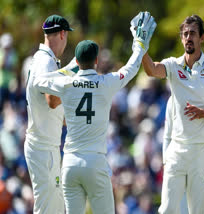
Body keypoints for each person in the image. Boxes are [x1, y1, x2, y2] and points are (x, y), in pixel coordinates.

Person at [33, 11, 156, 214]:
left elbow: (39, 81)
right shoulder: (106, 83)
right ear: (97, 60)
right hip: (95, 162)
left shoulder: (66, 83)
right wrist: (139, 45)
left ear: (78, 61)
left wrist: (68, 69)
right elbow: (131, 68)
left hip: (70, 163)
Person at [142, 14, 204, 214]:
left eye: (193, 33)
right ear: (181, 38)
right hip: (177, 149)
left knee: (198, 211)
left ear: (202, 38)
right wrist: (141, 46)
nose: (188, 38)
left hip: (202, 150)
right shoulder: (173, 65)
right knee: (167, 209)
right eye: (185, 34)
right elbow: (151, 70)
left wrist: (203, 113)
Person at [24, 14, 73, 214]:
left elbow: (54, 112)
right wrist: (75, 76)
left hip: (45, 146)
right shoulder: (46, 62)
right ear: (62, 34)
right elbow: (51, 101)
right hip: (43, 148)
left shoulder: (44, 59)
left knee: (55, 207)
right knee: (48, 210)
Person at [162, 96, 188, 214]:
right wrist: (165, 163)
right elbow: (167, 135)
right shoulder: (172, 100)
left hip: (201, 162)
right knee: (171, 207)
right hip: (176, 161)